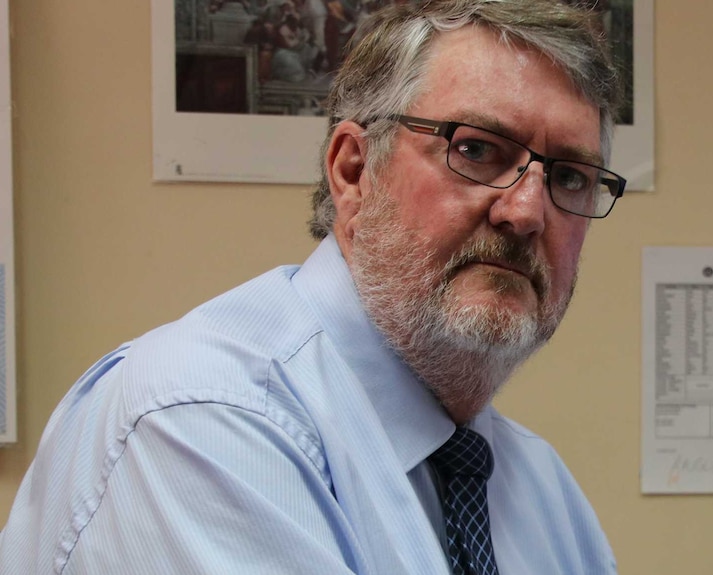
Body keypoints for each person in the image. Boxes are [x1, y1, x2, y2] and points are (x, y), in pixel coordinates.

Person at [0, 0, 627, 572]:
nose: (525, 211)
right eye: (478, 149)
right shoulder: (203, 420)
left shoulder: (541, 491)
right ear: (353, 171)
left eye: (569, 177)